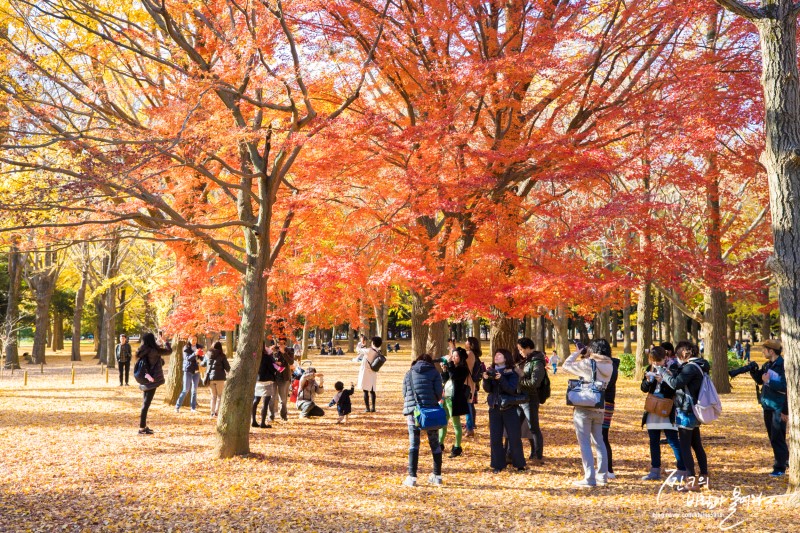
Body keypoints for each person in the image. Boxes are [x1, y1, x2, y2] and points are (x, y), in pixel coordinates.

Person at [656, 341, 710, 492]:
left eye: (678, 355)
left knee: (685, 446)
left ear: (684, 354)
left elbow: (675, 383)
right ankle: (704, 477)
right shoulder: (700, 365)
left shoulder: (690, 367)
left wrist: (663, 371)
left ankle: (691, 482)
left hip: (687, 410)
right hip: (693, 409)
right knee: (696, 445)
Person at [562, 339, 614, 487]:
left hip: (584, 406)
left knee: (584, 443)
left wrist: (577, 352)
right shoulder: (609, 365)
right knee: (599, 442)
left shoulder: (588, 363)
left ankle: (589, 478)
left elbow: (566, 366)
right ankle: (602, 476)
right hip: (599, 406)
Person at [640, 346, 685, 481]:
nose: (655, 364)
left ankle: (682, 470)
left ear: (665, 358)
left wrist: (663, 381)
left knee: (673, 440)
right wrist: (648, 381)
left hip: (667, 408)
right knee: (653, 441)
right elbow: (643, 389)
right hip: (653, 409)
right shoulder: (650, 369)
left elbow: (675, 388)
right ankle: (655, 470)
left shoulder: (673, 368)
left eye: (658, 361)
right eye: (653, 361)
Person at [402, 353, 444, 487]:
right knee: (434, 443)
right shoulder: (435, 373)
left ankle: (412, 477)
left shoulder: (409, 373)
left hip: (413, 413)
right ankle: (437, 475)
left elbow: (404, 393)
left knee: (414, 444)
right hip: (430, 413)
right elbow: (439, 394)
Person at [483, 348, 526, 473]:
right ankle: (498, 465)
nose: (496, 357)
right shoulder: (491, 370)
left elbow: (511, 390)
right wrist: (486, 379)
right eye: (495, 355)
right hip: (494, 407)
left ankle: (519, 464)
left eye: (499, 355)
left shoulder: (512, 372)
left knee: (514, 437)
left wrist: (501, 378)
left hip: (509, 407)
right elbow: (488, 389)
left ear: (506, 358)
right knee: (495, 438)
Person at [750, 339, 788, 477]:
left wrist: (785, 411)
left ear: (771, 351)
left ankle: (780, 467)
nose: (762, 352)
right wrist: (754, 372)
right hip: (767, 405)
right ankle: (785, 459)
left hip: (778, 407)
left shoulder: (782, 366)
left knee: (777, 437)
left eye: (764, 350)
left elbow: (786, 387)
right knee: (773, 436)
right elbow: (761, 380)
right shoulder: (768, 365)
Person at [135, 333, 171, 435]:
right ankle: (142, 428)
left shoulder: (142, 350)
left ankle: (143, 426)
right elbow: (169, 351)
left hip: (144, 378)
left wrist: (158, 344)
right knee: (146, 404)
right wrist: (165, 341)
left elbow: (158, 361)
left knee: (145, 403)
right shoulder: (154, 351)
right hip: (152, 380)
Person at [517, 338, 546, 465]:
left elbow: (534, 382)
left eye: (521, 349)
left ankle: (537, 455)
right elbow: (524, 375)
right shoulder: (528, 360)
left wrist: (518, 382)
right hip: (520, 398)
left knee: (533, 427)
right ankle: (511, 453)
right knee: (515, 426)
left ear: (528, 347)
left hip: (530, 398)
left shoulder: (537, 361)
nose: (520, 352)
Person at [439, 347, 470, 458]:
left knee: (456, 424)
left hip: (454, 400)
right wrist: (444, 370)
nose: (453, 358)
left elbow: (454, 376)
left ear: (461, 358)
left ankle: (457, 447)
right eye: (453, 356)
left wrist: (450, 364)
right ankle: (440, 444)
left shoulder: (463, 369)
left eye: (455, 356)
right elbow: (445, 380)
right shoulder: (452, 367)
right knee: (443, 422)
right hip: (445, 398)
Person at [602, 349, 621, 479]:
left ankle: (608, 468)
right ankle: (606, 468)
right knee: (601, 437)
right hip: (604, 403)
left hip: (604, 403)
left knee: (602, 437)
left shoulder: (609, 366)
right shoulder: (611, 365)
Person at [202, 341, 230, 419]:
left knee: (213, 396)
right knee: (220, 396)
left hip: (210, 378)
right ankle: (217, 413)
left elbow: (203, 364)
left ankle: (212, 412)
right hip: (220, 378)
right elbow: (227, 367)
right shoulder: (222, 355)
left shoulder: (207, 354)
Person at [270, 338, 295, 422]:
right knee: (272, 397)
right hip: (273, 377)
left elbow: (291, 362)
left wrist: (284, 352)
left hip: (284, 378)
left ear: (285, 343)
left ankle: (283, 416)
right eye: (279, 343)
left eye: (282, 343)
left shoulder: (289, 350)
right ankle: (271, 416)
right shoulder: (273, 350)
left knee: (283, 399)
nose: (280, 344)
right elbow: (268, 361)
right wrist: (275, 362)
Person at [176, 336, 203, 413]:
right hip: (188, 370)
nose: (194, 341)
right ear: (189, 340)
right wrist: (195, 353)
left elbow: (201, 359)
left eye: (195, 339)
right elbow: (187, 358)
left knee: (194, 390)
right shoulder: (186, 348)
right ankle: (177, 406)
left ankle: (193, 408)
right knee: (186, 389)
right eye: (193, 340)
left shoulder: (199, 347)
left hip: (196, 370)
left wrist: (201, 356)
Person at [253, 343, 277, 428]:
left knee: (255, 400)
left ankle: (253, 421)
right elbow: (273, 368)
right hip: (267, 380)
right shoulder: (267, 357)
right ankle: (262, 422)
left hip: (257, 380)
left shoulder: (254, 356)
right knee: (265, 402)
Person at [464, 336, 483, 438]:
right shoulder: (474, 354)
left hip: (468, 383)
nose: (465, 343)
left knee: (468, 405)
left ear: (471, 344)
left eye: (467, 341)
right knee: (469, 405)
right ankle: (470, 426)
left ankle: (470, 428)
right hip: (471, 384)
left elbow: (462, 364)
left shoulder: (470, 354)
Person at [357, 336, 382, 412]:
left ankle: (367, 408)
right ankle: (373, 407)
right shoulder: (378, 351)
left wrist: (361, 342)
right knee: (372, 390)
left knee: (365, 391)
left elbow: (358, 350)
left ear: (373, 343)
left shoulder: (369, 351)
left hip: (366, 372)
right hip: (373, 372)